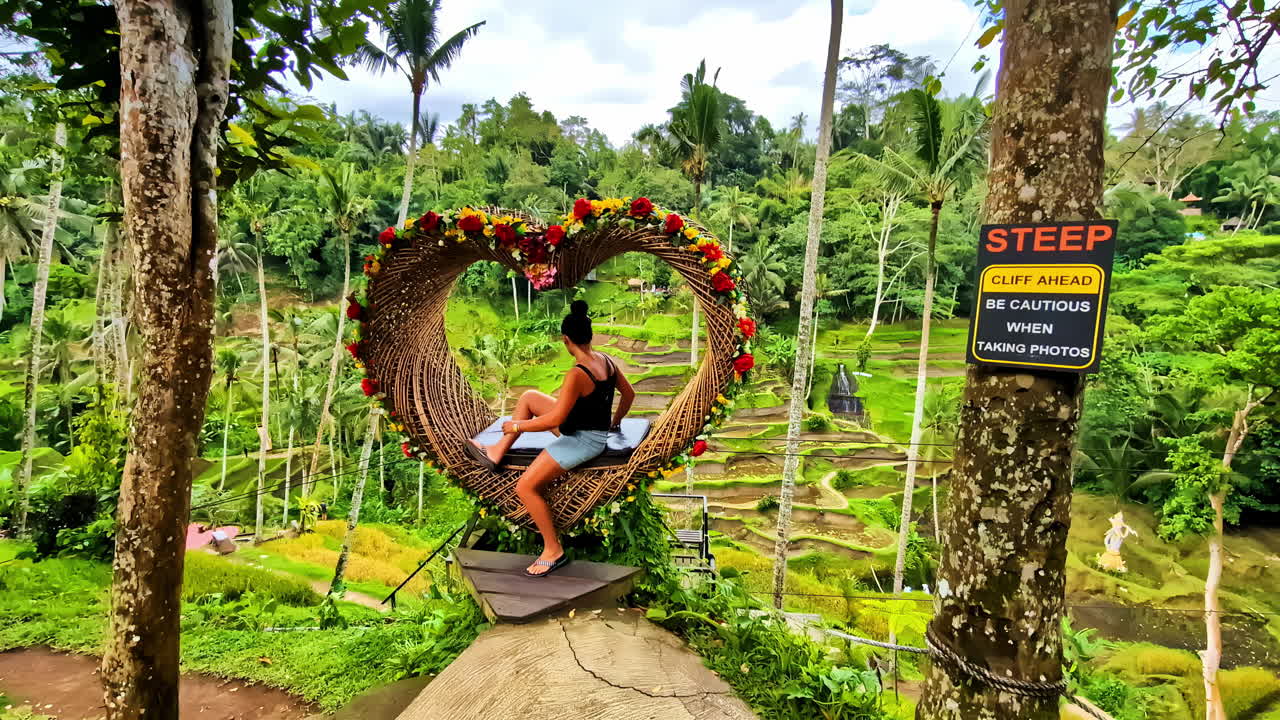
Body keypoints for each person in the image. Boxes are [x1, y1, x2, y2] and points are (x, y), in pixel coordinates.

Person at [467, 300, 635, 577]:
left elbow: (555, 420)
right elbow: (629, 396)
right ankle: (497, 451)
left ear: (566, 340)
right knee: (529, 397)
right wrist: (614, 422)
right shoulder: (606, 361)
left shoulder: (577, 373)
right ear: (590, 336)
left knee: (525, 487)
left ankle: (552, 550)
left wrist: (517, 427)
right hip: (586, 429)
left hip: (583, 441)